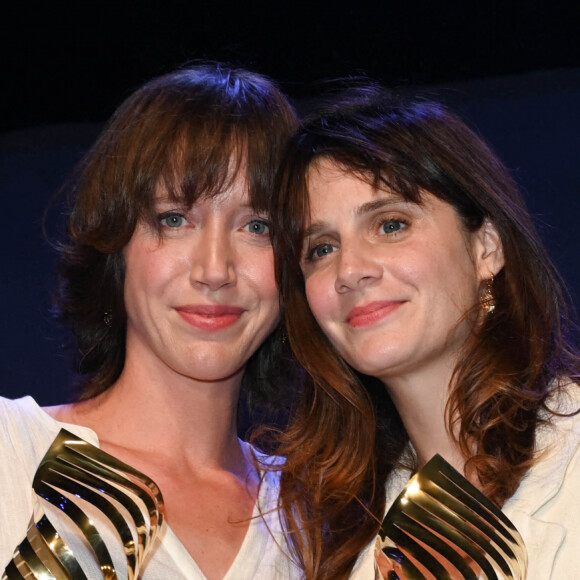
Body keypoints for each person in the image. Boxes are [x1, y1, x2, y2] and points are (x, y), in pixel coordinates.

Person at [0, 63, 302, 579]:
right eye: (175, 219)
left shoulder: (320, 517)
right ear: (116, 245)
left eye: (257, 225)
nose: (214, 270)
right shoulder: (11, 450)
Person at [271, 83, 580, 579]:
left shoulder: (571, 460)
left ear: (487, 248)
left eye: (390, 225)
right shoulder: (342, 536)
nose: (350, 269)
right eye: (321, 248)